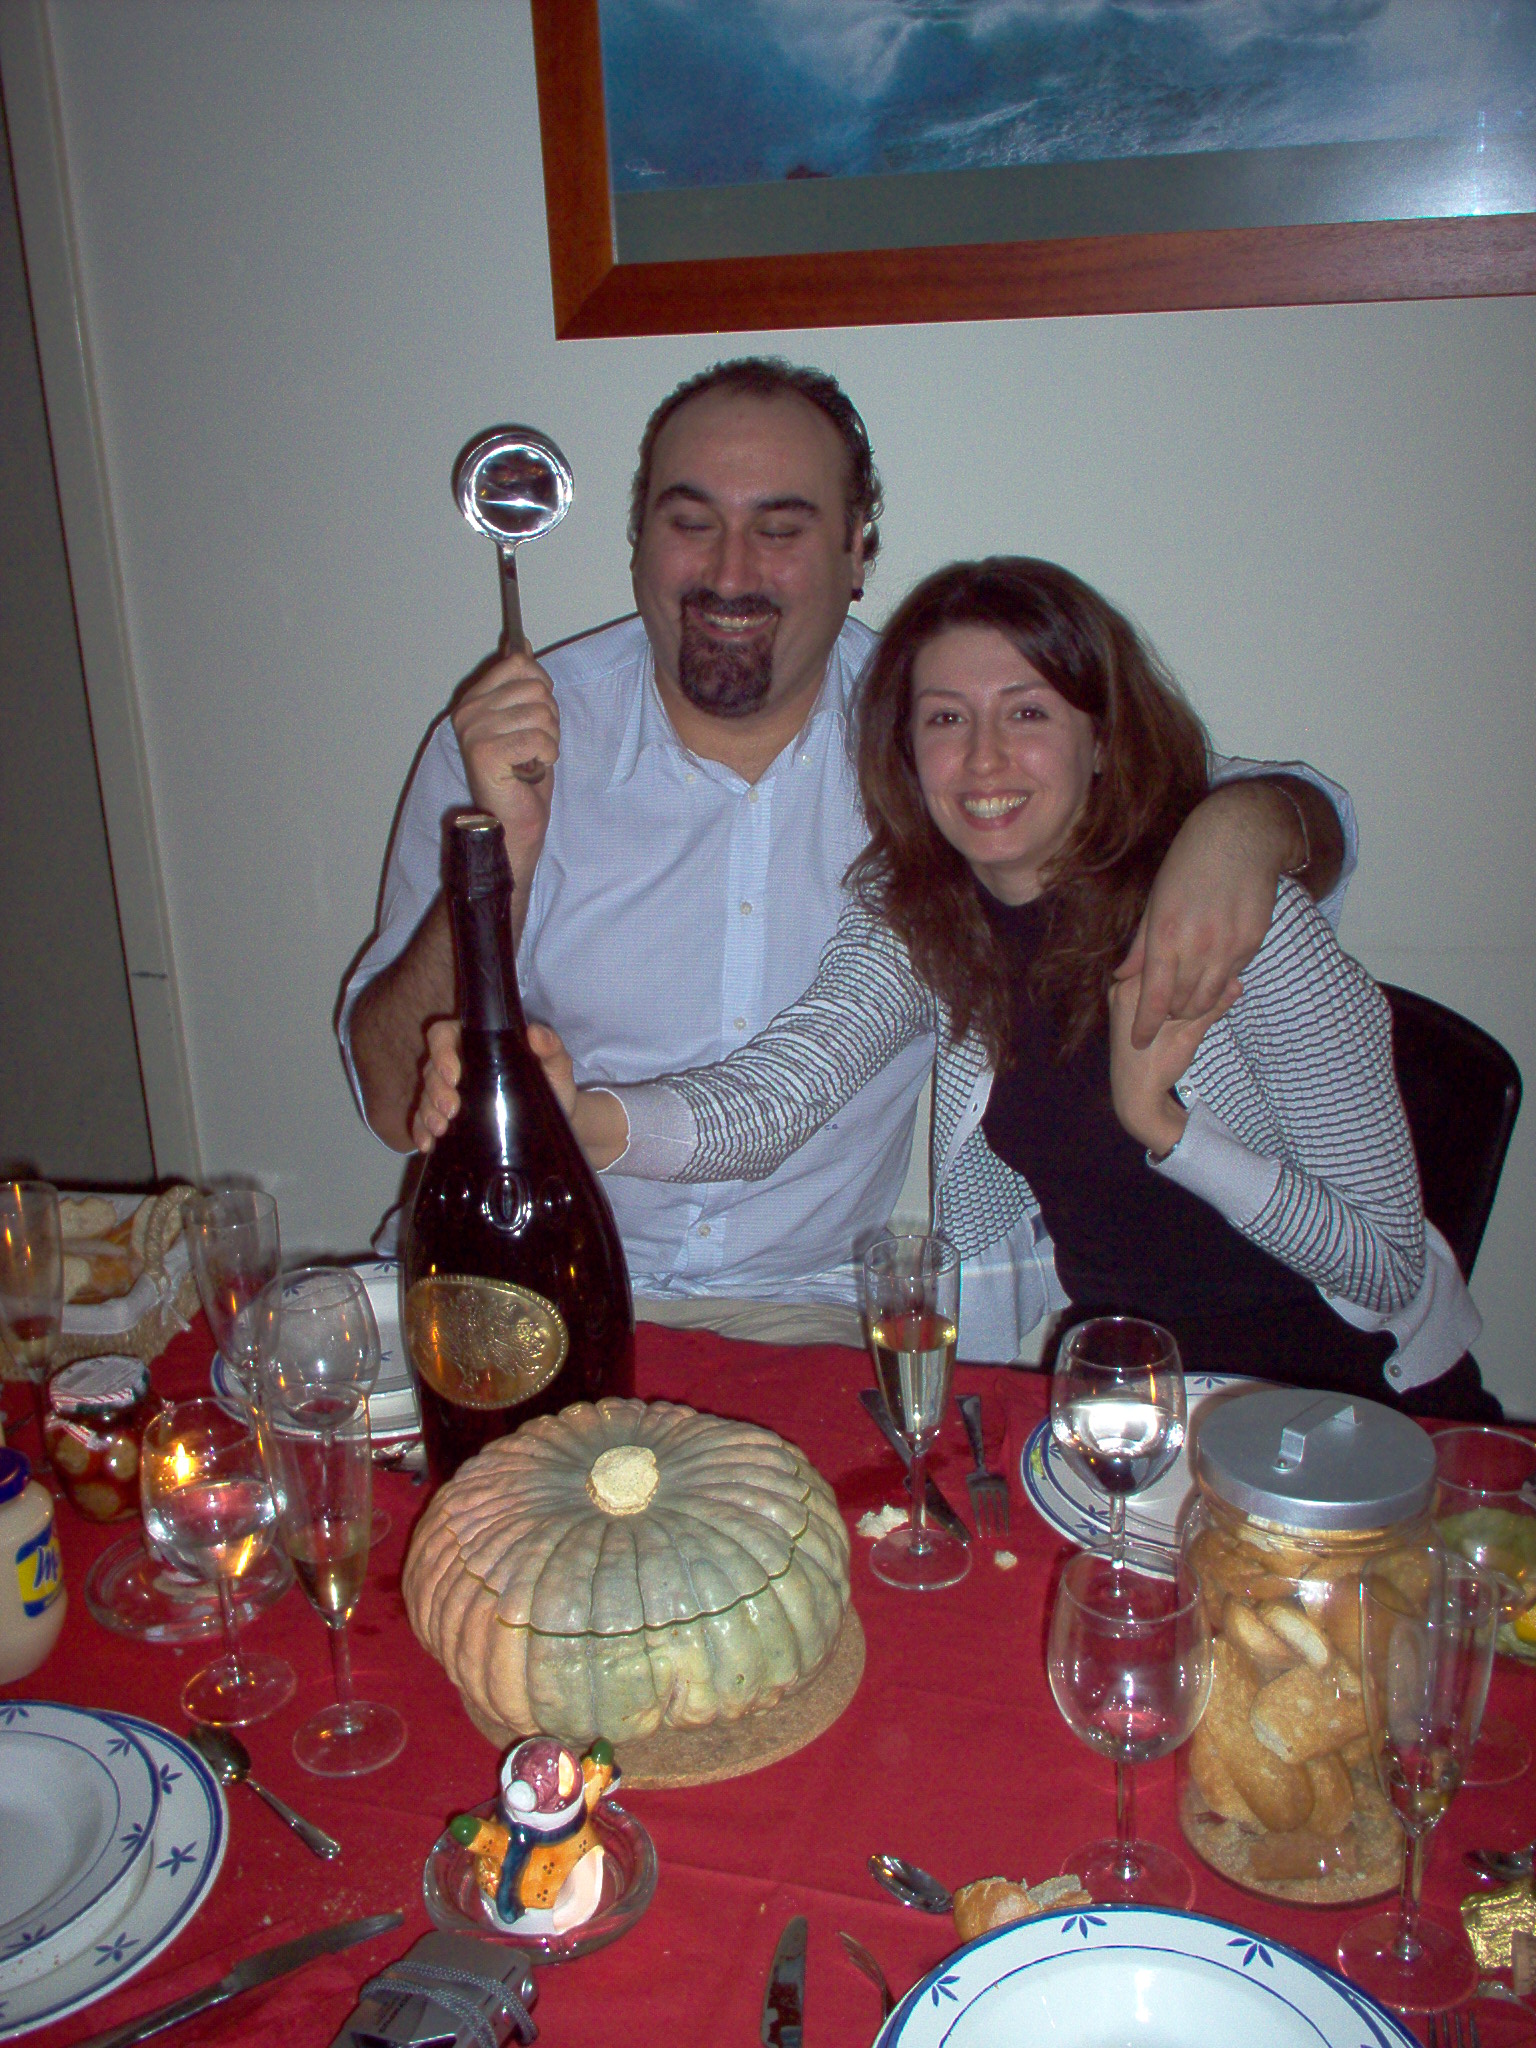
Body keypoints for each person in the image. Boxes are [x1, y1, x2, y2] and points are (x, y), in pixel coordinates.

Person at [343, 360, 1352, 1348]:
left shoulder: (946, 741)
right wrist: (505, 856)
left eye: (780, 529)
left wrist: (1246, 824)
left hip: (801, 1313)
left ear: (857, 547)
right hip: (514, 1276)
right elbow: (393, 1103)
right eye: (691, 522)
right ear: (640, 539)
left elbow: (1284, 810)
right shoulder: (508, 741)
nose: (730, 572)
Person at [545, 558, 1493, 1418]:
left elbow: (1387, 1265)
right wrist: (579, 1118)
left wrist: (1167, 1128)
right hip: (1130, 1402)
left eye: (1027, 712)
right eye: (946, 718)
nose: (984, 757)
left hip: (1344, 1403)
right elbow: (778, 1096)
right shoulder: (925, 925)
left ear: (1102, 740)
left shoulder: (1240, 924)